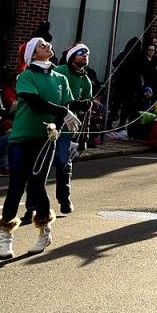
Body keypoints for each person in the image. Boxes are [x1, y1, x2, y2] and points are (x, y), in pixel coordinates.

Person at [0, 37, 75, 259]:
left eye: (48, 44)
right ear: (32, 54)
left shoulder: (60, 78)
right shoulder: (26, 76)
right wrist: (61, 112)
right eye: (41, 45)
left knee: (37, 183)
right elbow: (33, 101)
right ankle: (5, 234)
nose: (48, 45)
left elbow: (66, 106)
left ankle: (44, 229)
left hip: (46, 139)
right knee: (16, 184)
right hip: (20, 138)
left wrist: (57, 126)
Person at [52, 42, 95, 214]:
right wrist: (72, 103)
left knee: (64, 162)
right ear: (71, 57)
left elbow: (87, 113)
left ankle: (64, 197)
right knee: (38, 163)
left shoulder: (86, 80)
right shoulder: (60, 71)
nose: (85, 55)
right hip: (51, 124)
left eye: (87, 53)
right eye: (80, 53)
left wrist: (84, 137)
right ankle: (32, 205)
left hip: (68, 129)